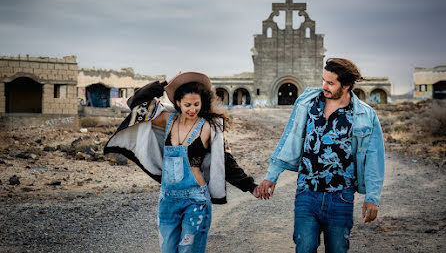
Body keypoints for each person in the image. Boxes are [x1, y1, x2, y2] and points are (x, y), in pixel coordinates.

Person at [105, 72, 259, 253]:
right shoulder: (167, 121)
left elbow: (226, 161)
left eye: (196, 104)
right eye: (187, 105)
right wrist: (163, 85)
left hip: (195, 199)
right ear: (178, 103)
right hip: (168, 199)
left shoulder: (209, 127)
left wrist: (250, 186)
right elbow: (136, 104)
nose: (192, 109)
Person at [258, 58, 385, 253]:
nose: (324, 86)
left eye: (331, 83)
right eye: (323, 80)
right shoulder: (307, 104)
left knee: (337, 249)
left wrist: (372, 197)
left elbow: (374, 158)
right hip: (306, 192)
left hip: (341, 197)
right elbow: (290, 138)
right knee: (304, 248)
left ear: (347, 86)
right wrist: (271, 175)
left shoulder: (365, 116)